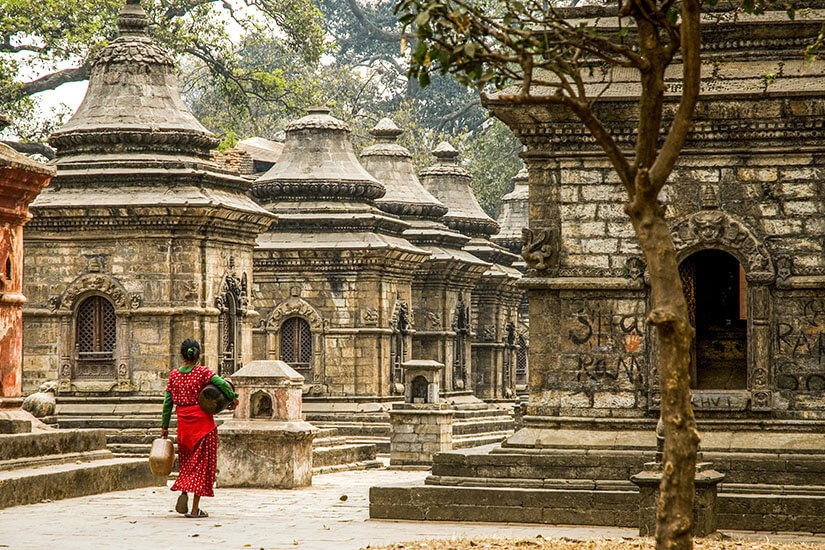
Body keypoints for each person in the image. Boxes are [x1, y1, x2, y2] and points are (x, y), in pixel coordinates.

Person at [160, 339, 238, 518]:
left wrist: (164, 427)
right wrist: (233, 397)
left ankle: (185, 492)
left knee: (188, 465)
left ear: (182, 354)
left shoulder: (174, 376)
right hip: (203, 426)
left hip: (184, 427)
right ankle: (195, 509)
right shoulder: (202, 372)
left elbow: (167, 404)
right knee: (202, 467)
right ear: (198, 354)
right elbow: (222, 384)